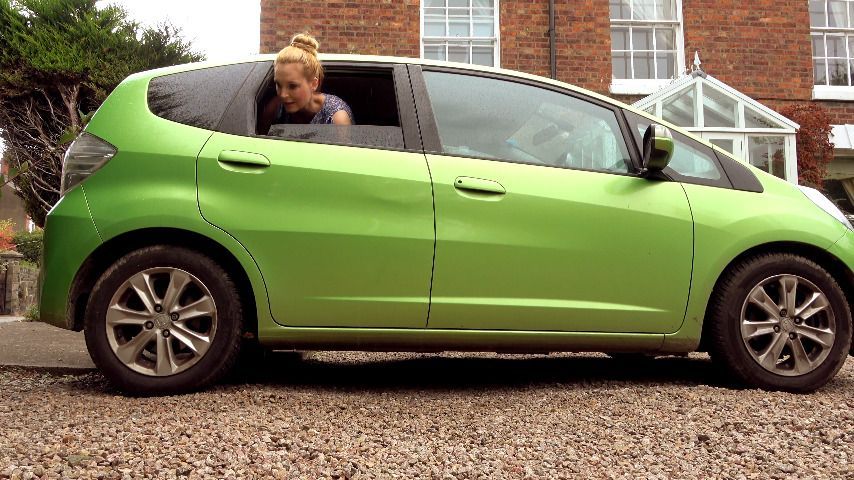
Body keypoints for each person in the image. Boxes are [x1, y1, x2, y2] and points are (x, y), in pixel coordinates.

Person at [270, 33, 353, 126]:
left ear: (314, 84)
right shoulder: (277, 107)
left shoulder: (337, 118)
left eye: (292, 86)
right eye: (279, 85)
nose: (283, 95)